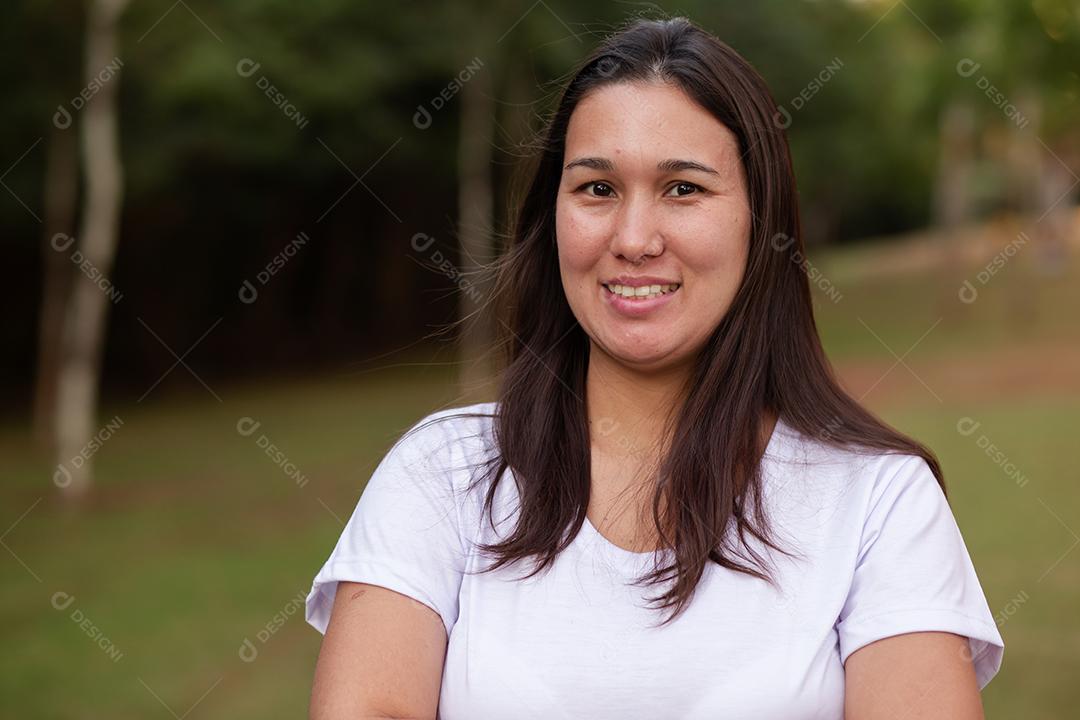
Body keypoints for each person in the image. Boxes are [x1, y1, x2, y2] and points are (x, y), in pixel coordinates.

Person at [305, 15, 1004, 719]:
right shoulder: (441, 475)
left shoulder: (879, 501)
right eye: (597, 189)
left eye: (683, 189)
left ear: (760, 220)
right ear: (553, 217)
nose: (634, 239)